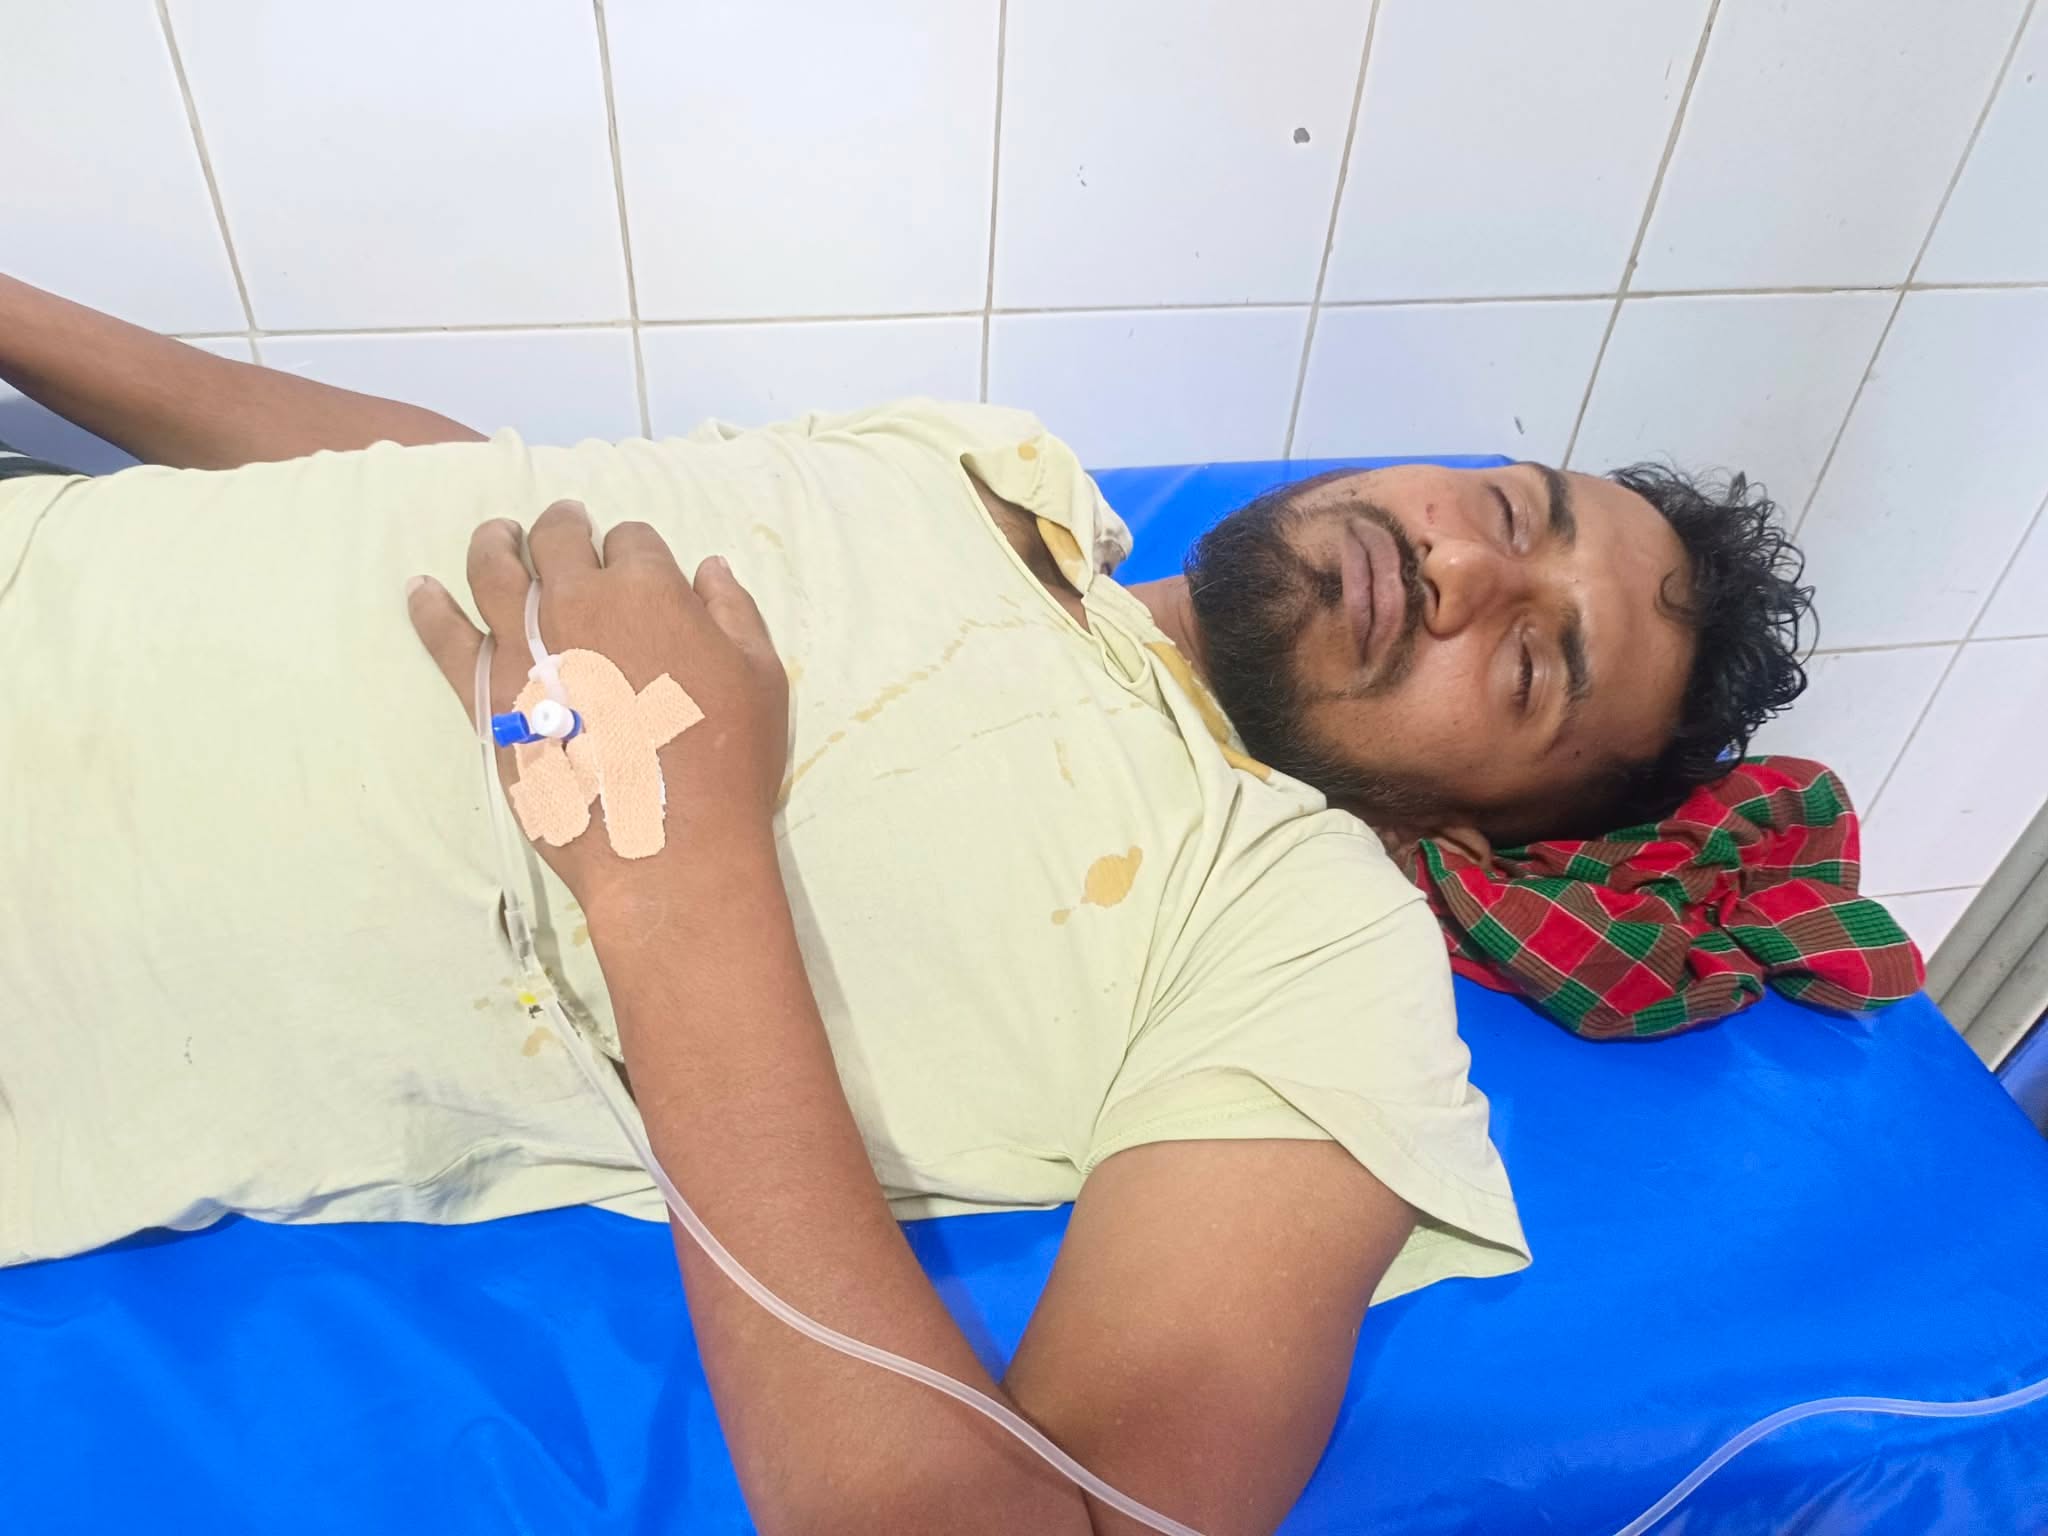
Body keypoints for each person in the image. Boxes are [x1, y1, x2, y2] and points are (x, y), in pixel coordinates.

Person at [0, 275, 1809, 1534]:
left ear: (1493, 828)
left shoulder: (1304, 934)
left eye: (1533, 667)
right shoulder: (982, 461)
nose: (1459, 564)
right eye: (1505, 505)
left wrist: (671, 874)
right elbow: (471, 484)